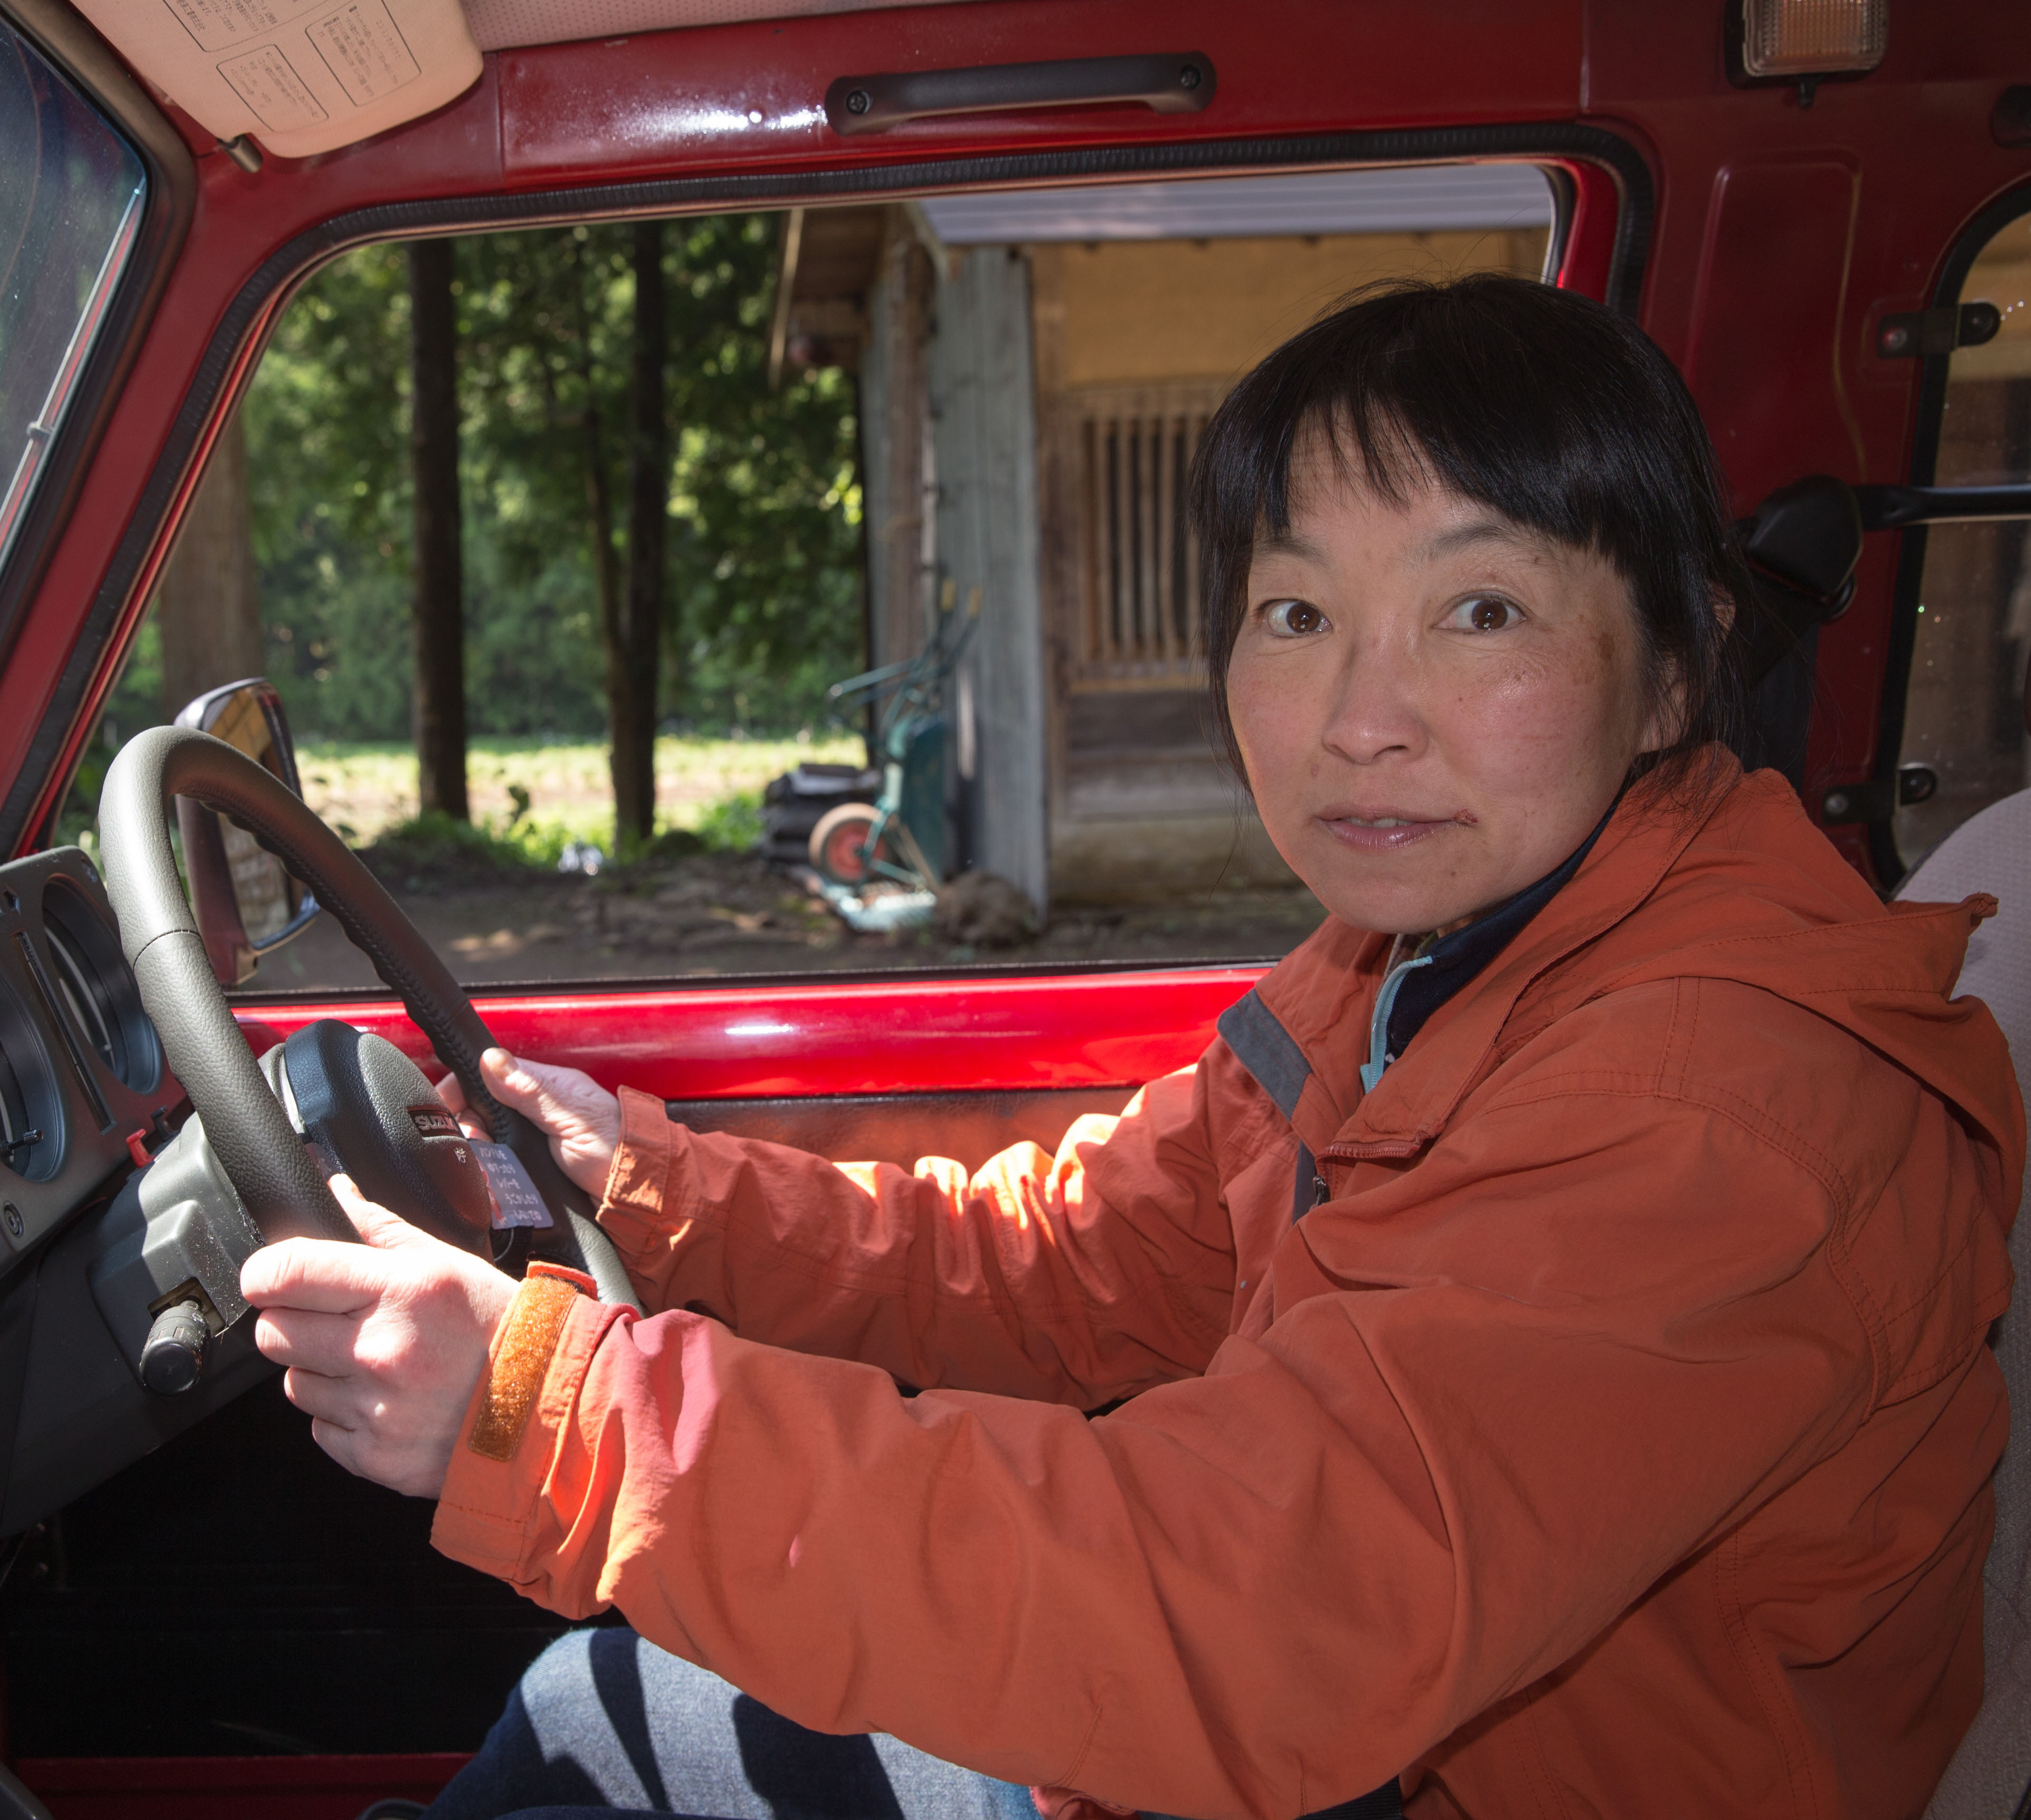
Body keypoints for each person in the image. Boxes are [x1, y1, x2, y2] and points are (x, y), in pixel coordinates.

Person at [239, 275, 2024, 1820]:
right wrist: (647, 1183)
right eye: (1297, 613)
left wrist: (554, 1415)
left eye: (1480, 611)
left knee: (600, 1734)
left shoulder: (1712, 1110)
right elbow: (1072, 1262)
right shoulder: (1416, 960)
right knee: (594, 1712)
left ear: (1674, 672)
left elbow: (1263, 1605)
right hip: (1340, 1748)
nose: (1362, 718)